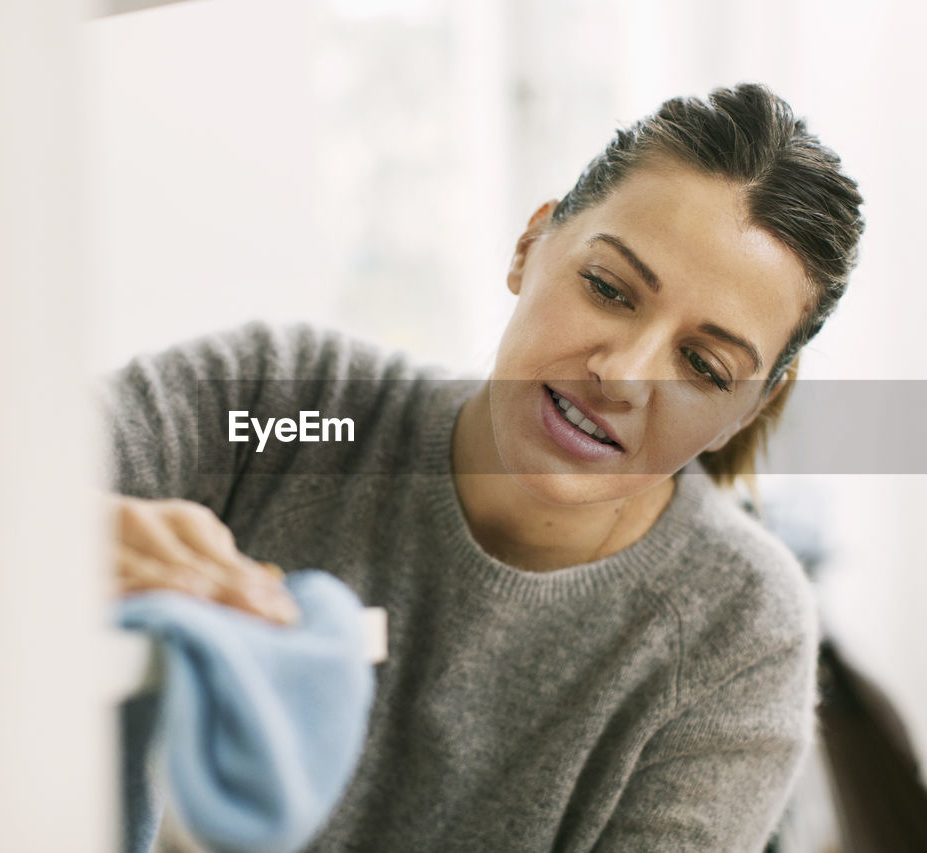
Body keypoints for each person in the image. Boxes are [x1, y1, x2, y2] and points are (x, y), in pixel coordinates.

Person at [102, 82, 865, 852]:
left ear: (746, 411)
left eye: (701, 365)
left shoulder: (737, 626)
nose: (625, 375)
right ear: (531, 245)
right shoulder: (292, 408)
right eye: (608, 288)